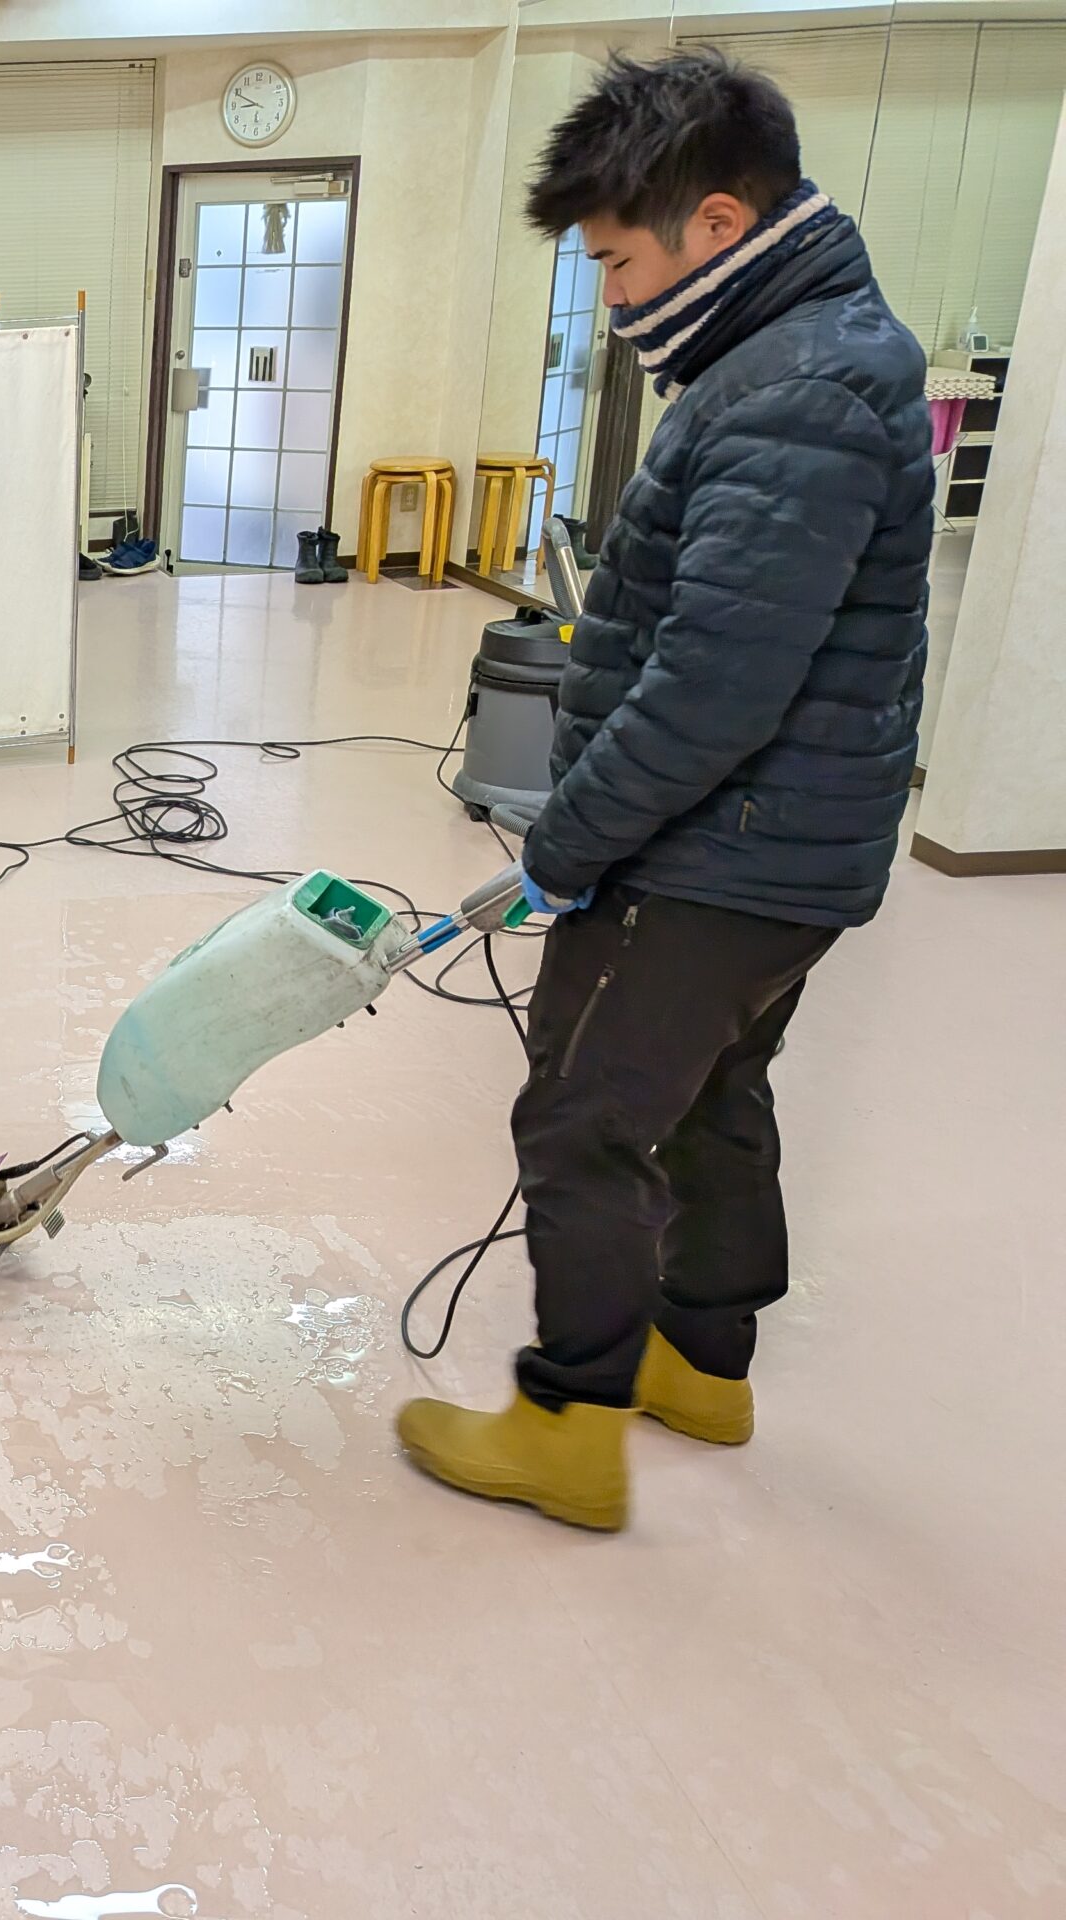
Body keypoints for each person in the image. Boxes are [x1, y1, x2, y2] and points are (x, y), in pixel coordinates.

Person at [397, 49, 931, 1531]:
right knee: (711, 1096)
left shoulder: (798, 389)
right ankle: (704, 1370)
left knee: (582, 1122)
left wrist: (568, 844)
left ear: (712, 224)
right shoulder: (803, 351)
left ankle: (570, 1427)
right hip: (780, 851)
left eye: (621, 263)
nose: (617, 300)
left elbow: (713, 689)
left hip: (718, 853)